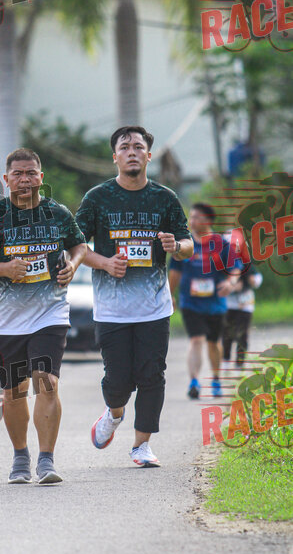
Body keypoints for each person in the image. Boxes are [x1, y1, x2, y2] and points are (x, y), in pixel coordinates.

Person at [0, 148, 86, 484]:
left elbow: (79, 246)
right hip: (6, 320)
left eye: (31, 173)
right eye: (17, 174)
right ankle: (21, 457)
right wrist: (3, 269)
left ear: (41, 178)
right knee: (14, 391)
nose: (25, 180)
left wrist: (73, 266)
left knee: (47, 381)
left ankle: (46, 461)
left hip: (50, 313)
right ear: (6, 179)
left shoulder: (57, 213)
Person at [75, 126, 193, 467]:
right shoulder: (97, 198)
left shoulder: (165, 198)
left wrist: (176, 245)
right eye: (125, 147)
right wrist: (105, 263)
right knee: (118, 381)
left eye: (138, 147)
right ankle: (114, 414)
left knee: (152, 375)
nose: (132, 152)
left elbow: (188, 244)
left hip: (154, 306)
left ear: (148, 156)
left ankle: (142, 446)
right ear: (115, 157)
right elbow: (76, 246)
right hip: (111, 308)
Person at [168, 203, 239, 400]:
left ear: (208, 220)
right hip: (190, 303)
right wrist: (169, 295)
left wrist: (230, 283)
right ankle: (194, 381)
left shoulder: (222, 243)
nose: (192, 221)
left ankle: (216, 379)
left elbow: (235, 268)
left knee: (213, 342)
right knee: (196, 339)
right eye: (190, 217)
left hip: (216, 303)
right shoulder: (185, 244)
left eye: (196, 217)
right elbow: (175, 272)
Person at [222, 236, 263, 367]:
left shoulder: (246, 261)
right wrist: (231, 287)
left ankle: (240, 362)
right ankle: (226, 360)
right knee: (227, 332)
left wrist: (254, 281)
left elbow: (257, 277)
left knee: (242, 333)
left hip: (245, 303)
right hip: (228, 303)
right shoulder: (221, 262)